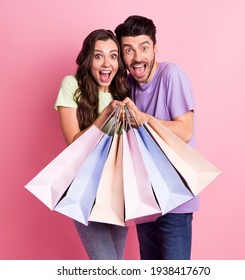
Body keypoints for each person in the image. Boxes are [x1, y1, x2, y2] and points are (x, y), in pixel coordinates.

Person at [115, 15, 199, 260]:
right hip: (145, 199)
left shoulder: (171, 75)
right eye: (128, 50)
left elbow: (185, 131)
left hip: (175, 200)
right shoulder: (128, 84)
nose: (137, 57)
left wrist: (147, 119)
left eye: (144, 48)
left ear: (155, 48)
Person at [54, 29, 130, 260]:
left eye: (113, 56)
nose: (106, 63)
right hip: (85, 189)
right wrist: (106, 113)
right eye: (98, 56)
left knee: (116, 265)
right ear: (89, 59)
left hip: (119, 190)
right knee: (106, 265)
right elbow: (74, 144)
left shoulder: (124, 91)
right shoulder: (72, 85)